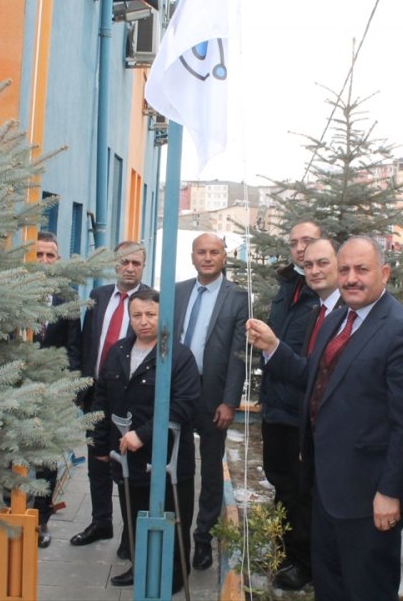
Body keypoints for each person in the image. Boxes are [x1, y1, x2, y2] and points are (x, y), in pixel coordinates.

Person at [255, 236, 403, 601]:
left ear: (384, 272)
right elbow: (314, 381)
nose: (351, 278)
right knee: (330, 586)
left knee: (364, 589)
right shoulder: (336, 319)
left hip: (368, 499)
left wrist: (390, 491)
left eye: (361, 270)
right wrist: (273, 347)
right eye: (345, 269)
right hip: (323, 488)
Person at [246, 235, 340, 590]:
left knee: (309, 494)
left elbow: (319, 376)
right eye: (307, 259)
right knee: (289, 488)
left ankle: (307, 561)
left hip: (321, 425)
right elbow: (307, 370)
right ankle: (294, 556)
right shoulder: (310, 303)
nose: (311, 265)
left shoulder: (342, 310)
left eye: (321, 261)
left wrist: (274, 347)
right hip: (286, 413)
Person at [89, 289, 199, 592]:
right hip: (126, 458)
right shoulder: (118, 351)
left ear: (162, 316)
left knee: (173, 518)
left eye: (151, 314)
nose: (144, 321)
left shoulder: (179, 356)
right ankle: (141, 567)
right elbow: (102, 400)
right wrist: (99, 445)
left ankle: (174, 578)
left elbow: (184, 405)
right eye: (137, 315)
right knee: (134, 515)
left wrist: (144, 434)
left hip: (167, 459)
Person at [173, 232, 248, 571]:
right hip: (177, 391)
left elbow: (239, 354)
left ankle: (203, 537)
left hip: (212, 394)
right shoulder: (177, 292)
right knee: (175, 461)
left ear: (224, 257)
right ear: (192, 256)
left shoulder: (238, 297)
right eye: (201, 252)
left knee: (211, 469)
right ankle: (175, 532)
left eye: (214, 252)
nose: (207, 257)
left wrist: (230, 401)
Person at [71, 241, 150, 559]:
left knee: (128, 467)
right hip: (96, 394)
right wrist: (80, 383)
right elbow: (85, 340)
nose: (130, 267)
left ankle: (130, 536)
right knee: (97, 462)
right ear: (114, 264)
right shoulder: (98, 297)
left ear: (143, 267)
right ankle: (101, 521)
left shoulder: (150, 302)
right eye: (124, 262)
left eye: (136, 263)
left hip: (131, 396)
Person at [258, 220, 322, 589]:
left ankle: (303, 563)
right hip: (276, 408)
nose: (301, 249)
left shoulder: (325, 295)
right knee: (280, 483)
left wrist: (271, 347)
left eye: (308, 242)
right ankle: (284, 551)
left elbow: (310, 367)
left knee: (302, 491)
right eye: (295, 242)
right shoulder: (288, 287)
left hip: (302, 413)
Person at [30, 232, 82, 548]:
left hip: (52, 393)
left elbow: (74, 348)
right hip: (16, 390)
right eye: (39, 255)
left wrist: (68, 388)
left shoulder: (68, 298)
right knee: (13, 457)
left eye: (50, 256)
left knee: (47, 461)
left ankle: (41, 521)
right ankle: (11, 511)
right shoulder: (13, 293)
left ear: (58, 260)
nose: (45, 261)